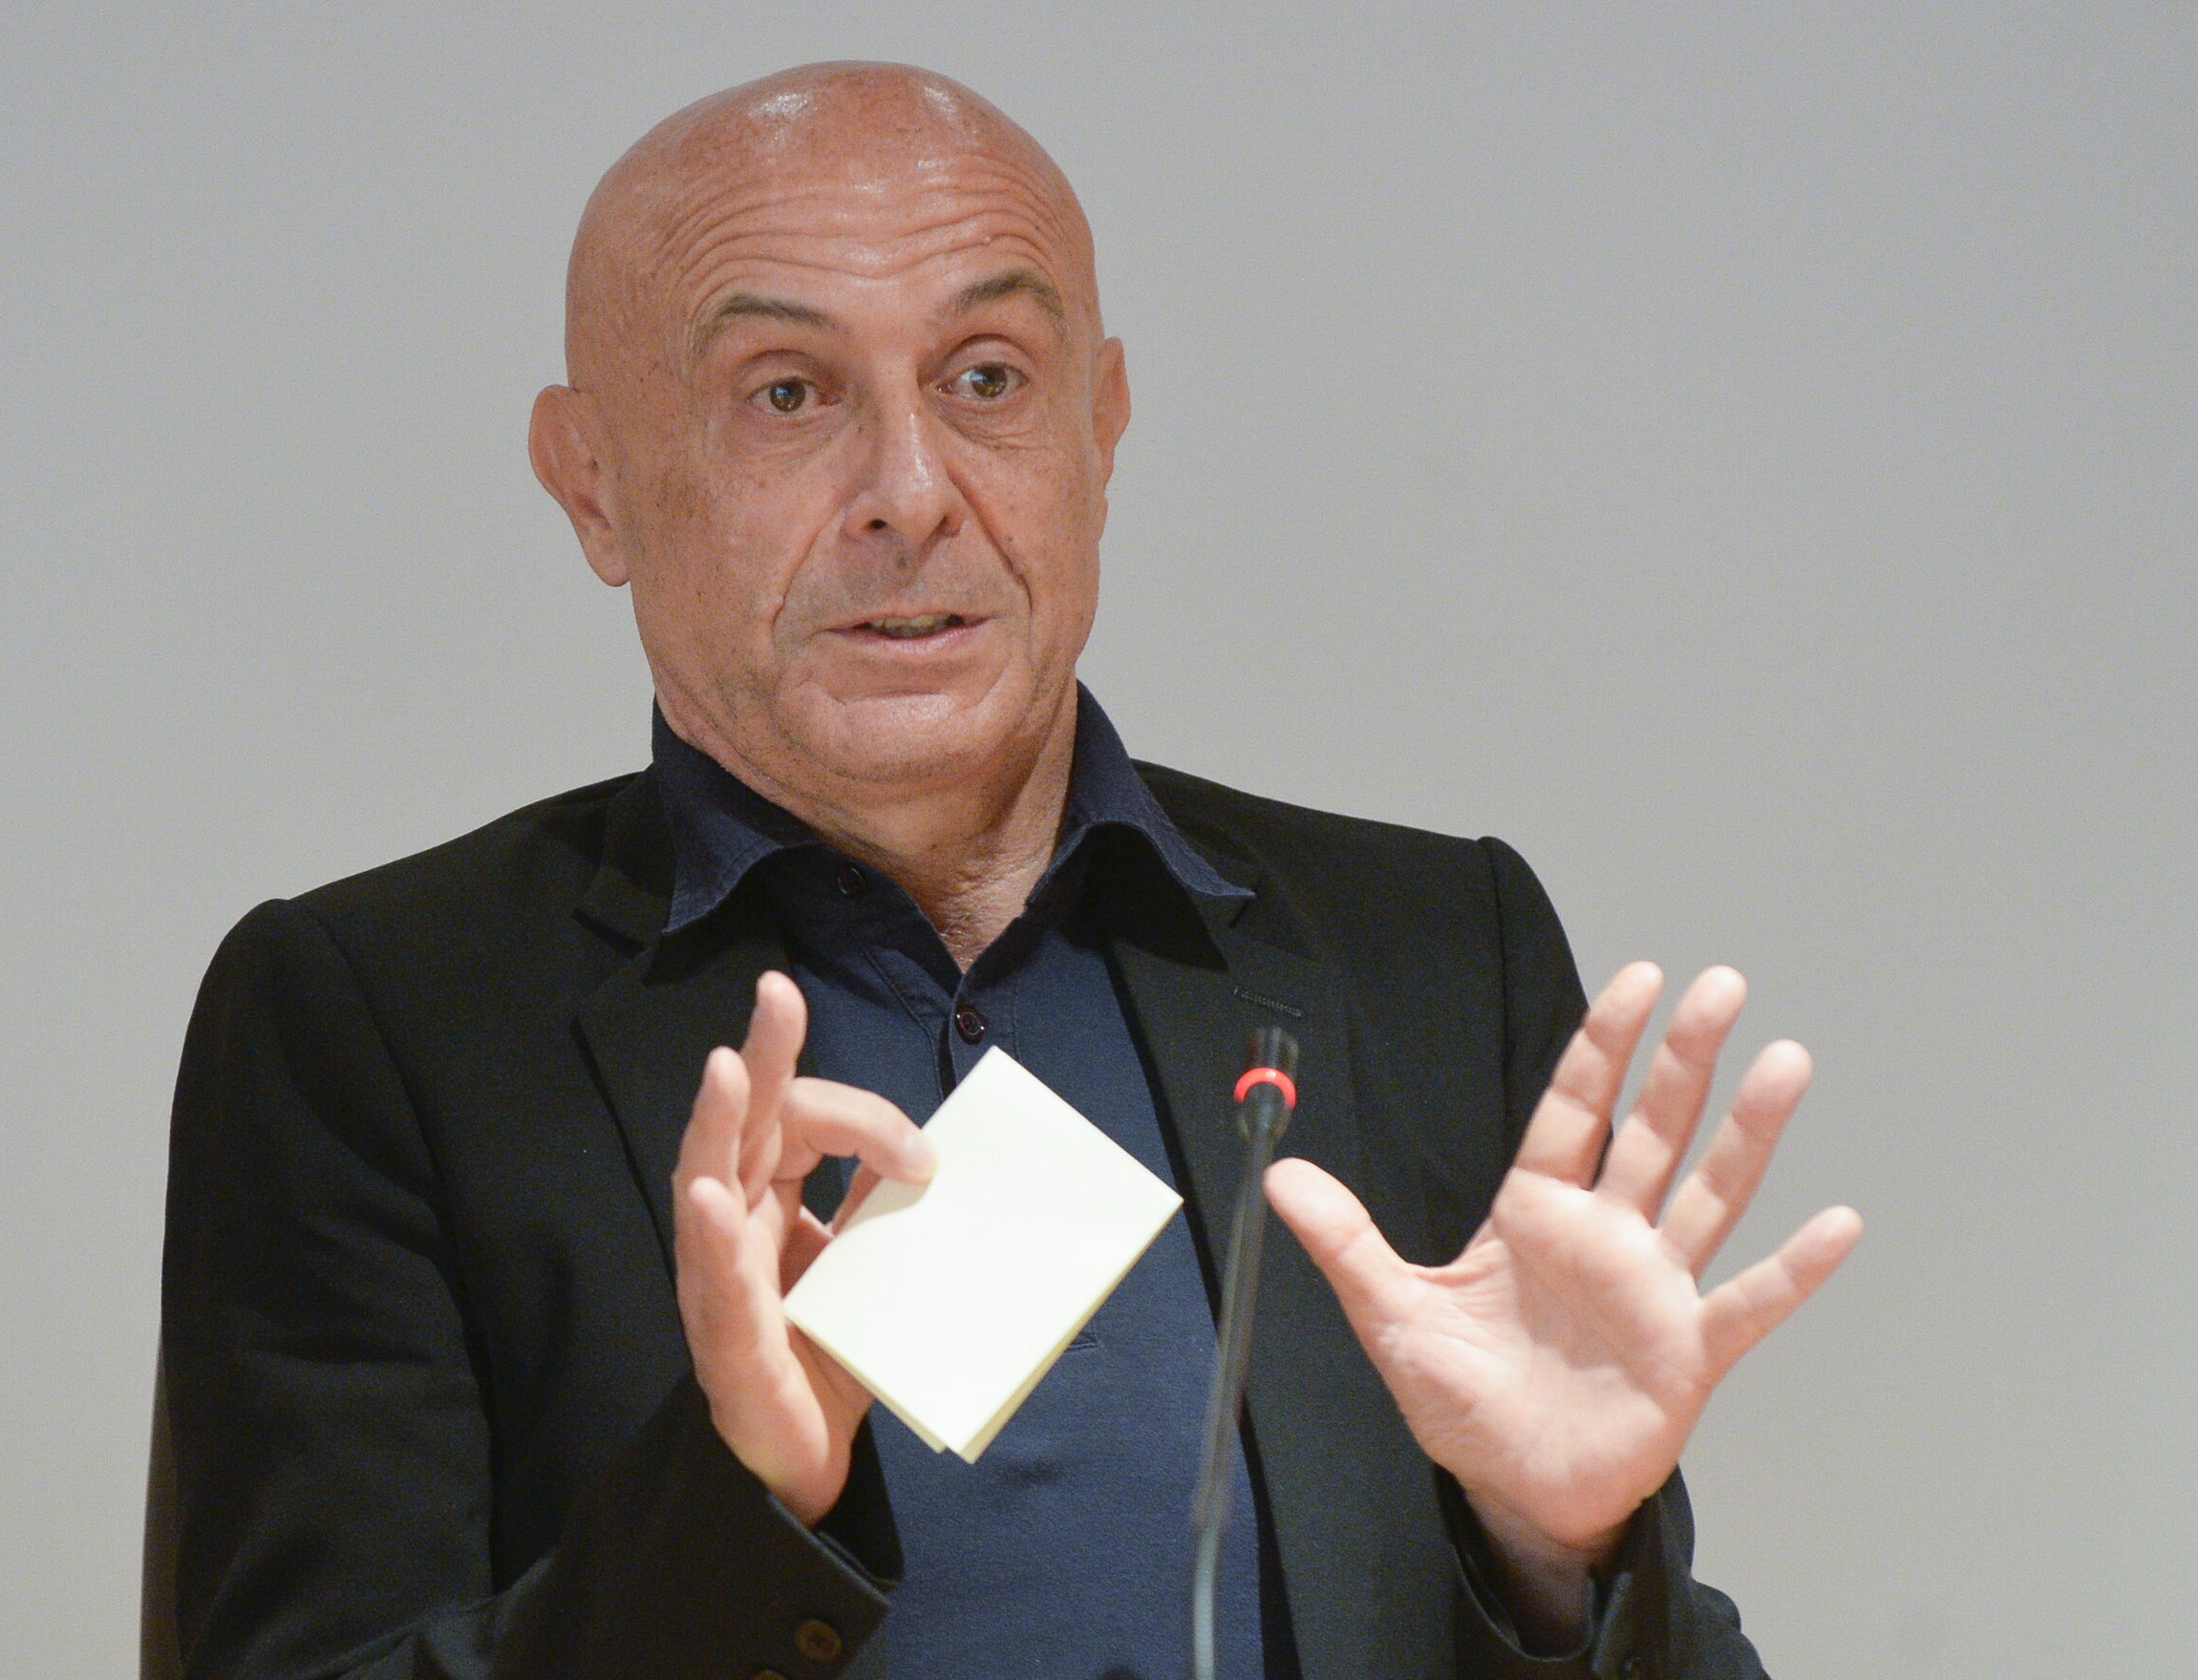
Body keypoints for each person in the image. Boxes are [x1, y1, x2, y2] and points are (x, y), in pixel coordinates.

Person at [152, 60, 1862, 1680]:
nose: (910, 495)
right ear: (592, 483)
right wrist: (739, 1508)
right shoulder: (375, 1021)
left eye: (986, 379)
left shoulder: (1432, 956)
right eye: (788, 394)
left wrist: (1555, 1557)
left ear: (1100, 430)